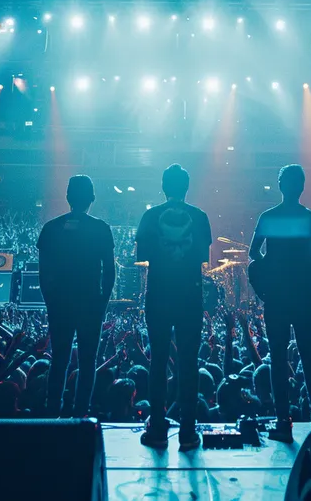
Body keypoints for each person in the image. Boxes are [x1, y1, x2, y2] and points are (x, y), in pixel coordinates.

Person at [249, 164, 311, 442]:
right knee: (308, 355)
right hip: (305, 295)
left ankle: (283, 420)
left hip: (277, 297)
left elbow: (253, 253)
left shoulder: (268, 217)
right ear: (302, 187)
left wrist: (272, 267)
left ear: (281, 186)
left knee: (278, 358)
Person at [136, 164, 212, 451]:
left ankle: (157, 429)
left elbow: (142, 254)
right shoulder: (200, 217)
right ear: (186, 187)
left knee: (158, 360)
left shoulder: (150, 216)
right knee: (189, 362)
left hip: (158, 294)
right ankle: (188, 432)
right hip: (190, 296)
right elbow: (203, 255)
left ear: (164, 186)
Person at [37, 175, 116, 417]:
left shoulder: (51, 228)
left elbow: (43, 273)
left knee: (59, 358)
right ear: (92, 198)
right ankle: (81, 412)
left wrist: (51, 302)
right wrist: (101, 304)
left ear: (68, 197)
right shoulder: (101, 229)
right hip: (90, 304)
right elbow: (110, 273)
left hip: (60, 304)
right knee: (87, 360)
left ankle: (53, 413)